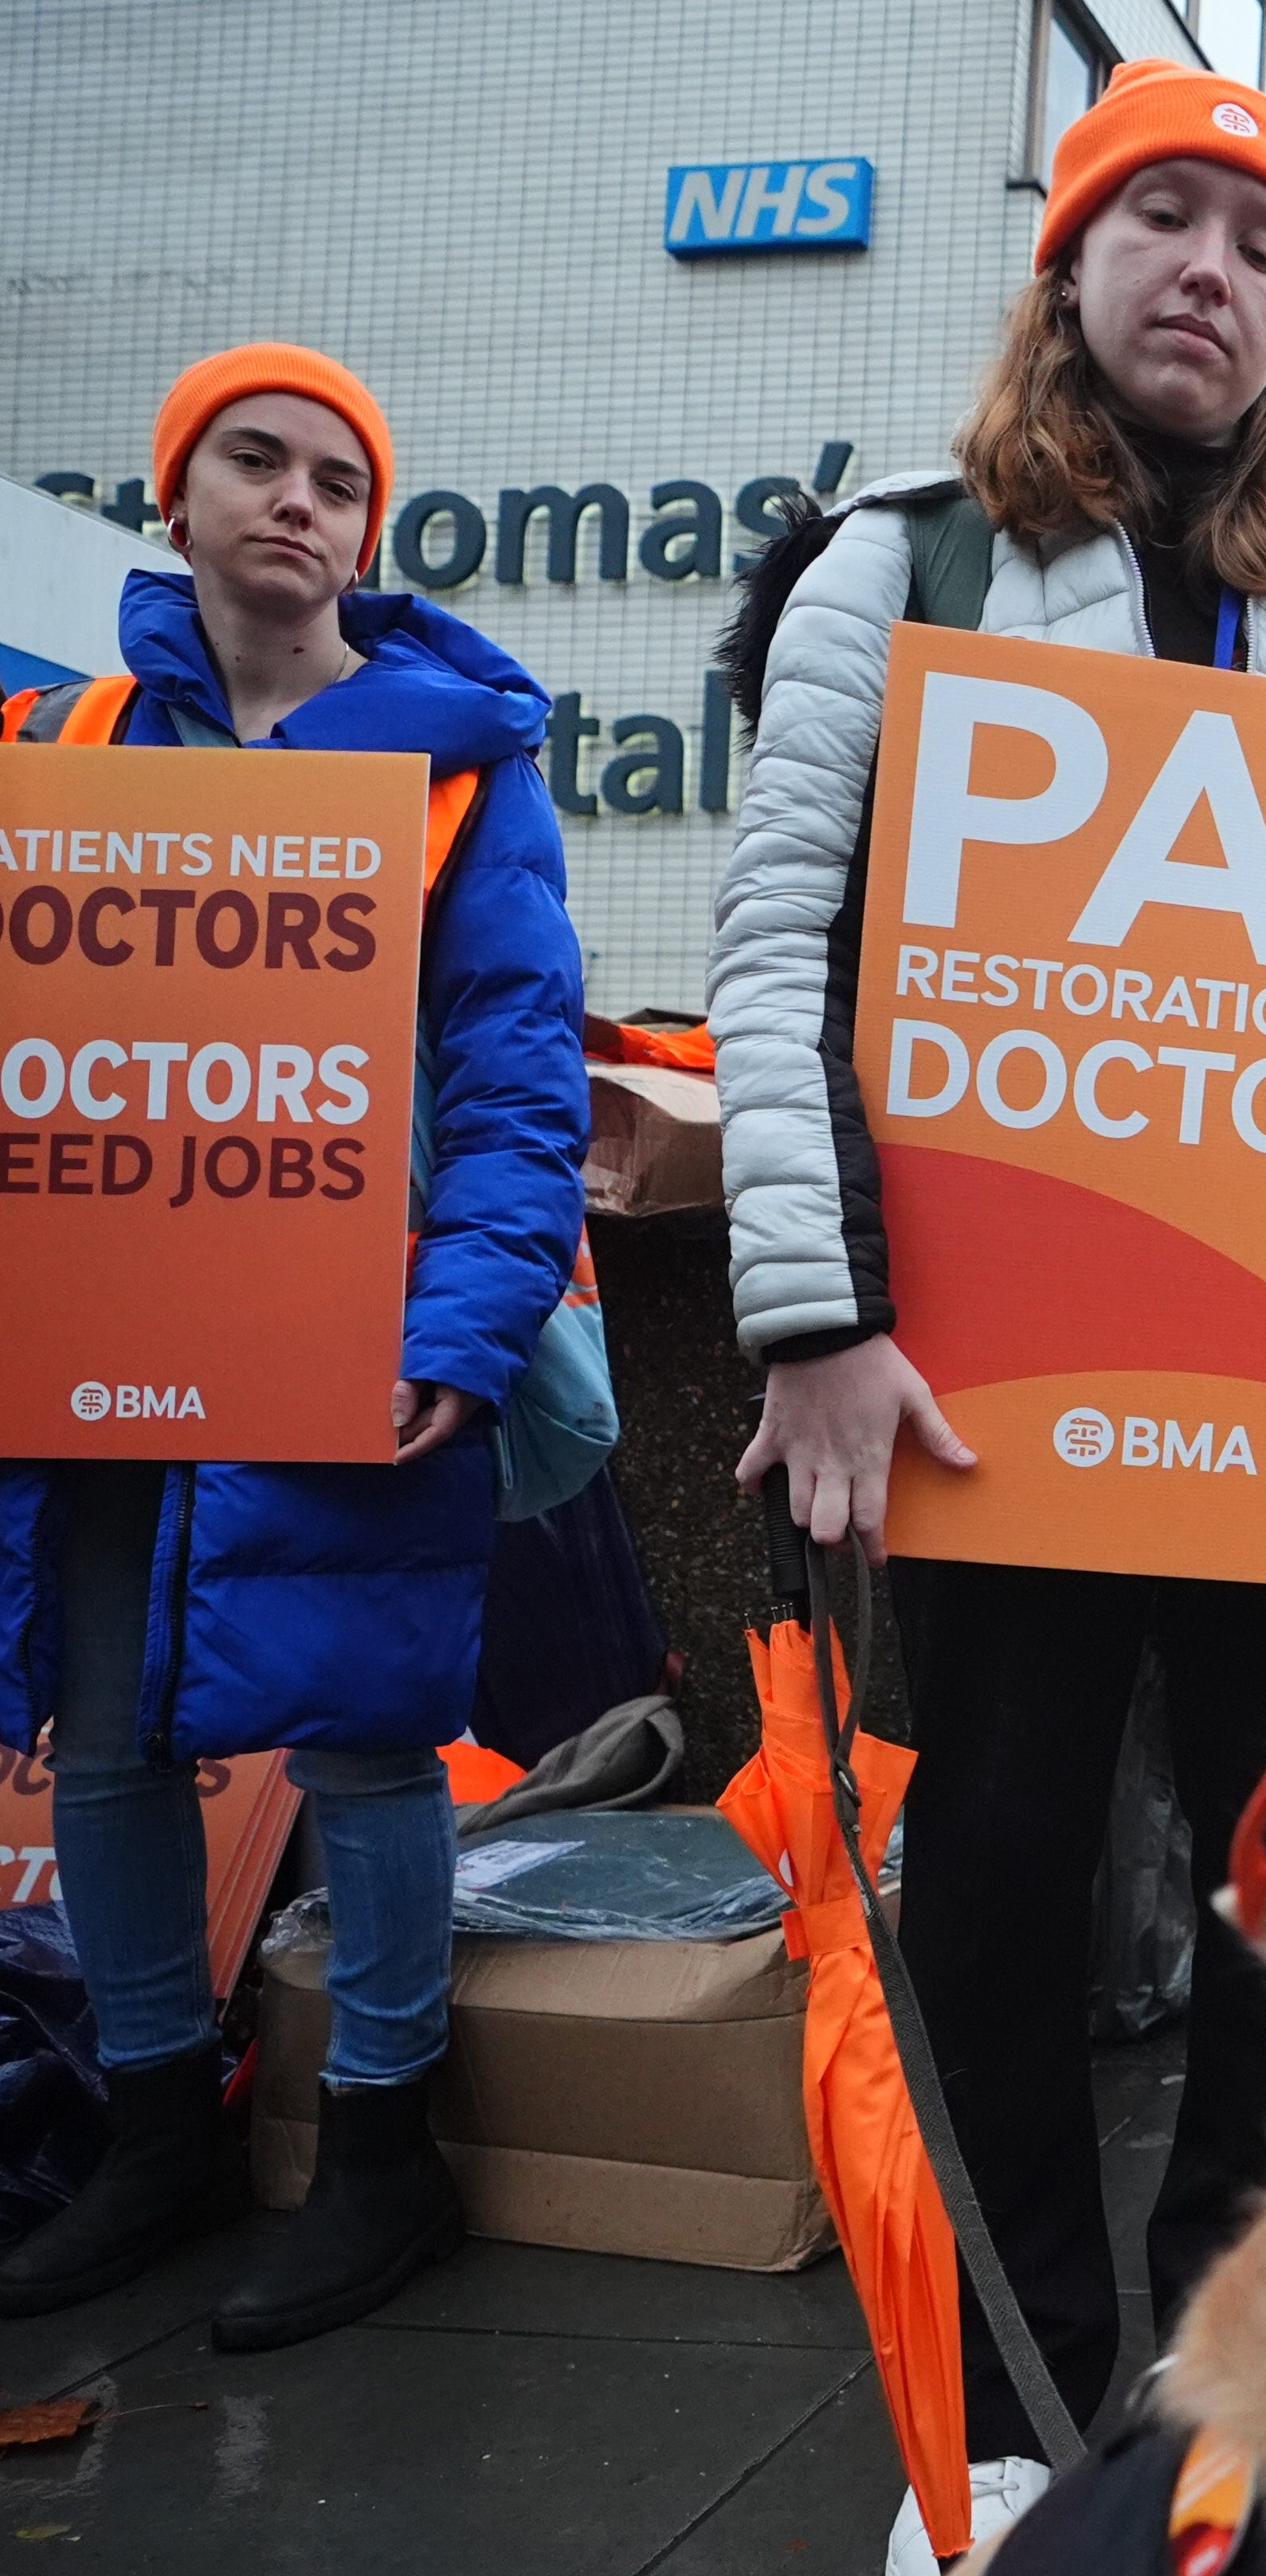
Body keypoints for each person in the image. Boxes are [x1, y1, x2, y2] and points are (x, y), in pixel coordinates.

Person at [702, 63, 1266, 2573]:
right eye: (1159, 221)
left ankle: (1221, 2400)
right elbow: (780, 958)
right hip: (990, 1377)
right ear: (1069, 266)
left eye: (1261, 246)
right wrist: (807, 1315)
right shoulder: (901, 560)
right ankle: (990, 2411)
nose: (1212, 270)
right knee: (982, 1880)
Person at [0, 346, 590, 2348]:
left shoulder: (462, 767)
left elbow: (518, 1079)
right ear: (174, 500)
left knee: (365, 1733)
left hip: (357, 1319)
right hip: (101, 1331)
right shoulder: (59, 742)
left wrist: (471, 1318)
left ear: (369, 528)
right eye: (253, 460)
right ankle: (158, 2129)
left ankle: (380, 2149)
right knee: (108, 1731)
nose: (297, 500)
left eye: (338, 478)